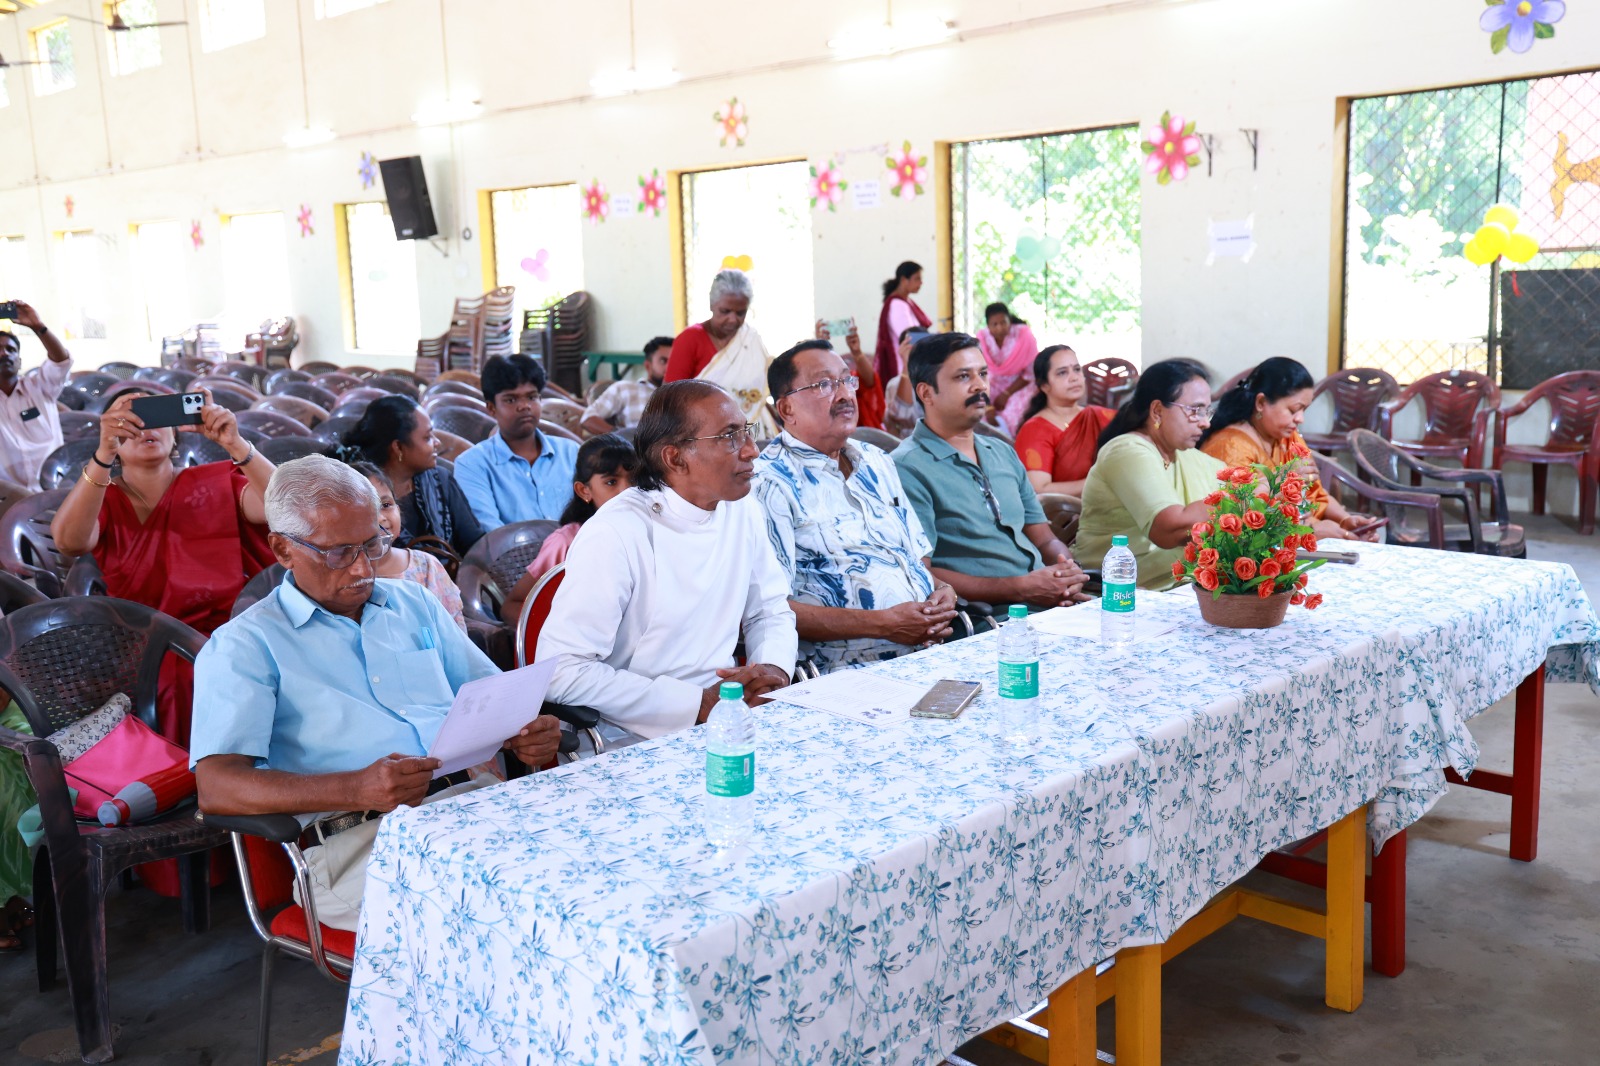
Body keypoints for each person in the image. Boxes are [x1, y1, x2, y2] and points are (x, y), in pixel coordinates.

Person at [190, 456, 562, 930]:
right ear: (283, 549)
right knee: (505, 916)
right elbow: (216, 787)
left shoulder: (414, 603)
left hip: (473, 805)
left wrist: (526, 730)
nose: (364, 568)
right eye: (339, 552)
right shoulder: (245, 646)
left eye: (373, 544)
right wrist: (354, 786)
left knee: (581, 869)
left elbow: (492, 696)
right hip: (358, 844)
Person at [539, 381, 796, 740]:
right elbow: (560, 672)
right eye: (729, 437)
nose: (752, 450)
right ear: (675, 458)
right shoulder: (617, 531)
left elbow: (769, 609)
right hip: (631, 737)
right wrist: (695, 704)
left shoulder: (742, 510)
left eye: (746, 432)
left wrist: (772, 668)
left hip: (730, 712)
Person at [52, 385, 276, 741]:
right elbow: (69, 541)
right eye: (129, 419)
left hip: (229, 631)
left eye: (156, 416)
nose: (145, 427)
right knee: (186, 677)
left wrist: (236, 445)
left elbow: (282, 508)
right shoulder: (104, 496)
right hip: (145, 642)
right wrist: (102, 454)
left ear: (175, 436)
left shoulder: (214, 481)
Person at [754, 340, 956, 672]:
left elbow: (915, 554)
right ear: (786, 409)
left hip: (930, 651)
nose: (845, 394)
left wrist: (940, 590)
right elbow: (773, 609)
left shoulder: (877, 460)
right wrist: (884, 624)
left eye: (848, 380)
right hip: (846, 672)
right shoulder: (769, 483)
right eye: (824, 385)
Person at [891, 334, 1089, 615]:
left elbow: (1043, 538)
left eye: (982, 373)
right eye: (963, 377)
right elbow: (921, 572)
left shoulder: (1001, 452)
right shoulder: (907, 467)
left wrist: (1067, 573)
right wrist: (1020, 587)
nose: (980, 385)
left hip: (1047, 603)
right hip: (988, 619)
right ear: (926, 393)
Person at [1076, 359, 1226, 589]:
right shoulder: (1127, 451)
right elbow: (1169, 529)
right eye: (1195, 411)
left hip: (1174, 583)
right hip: (1117, 589)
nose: (1205, 423)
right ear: (1157, 411)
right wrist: (1240, 500)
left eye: (1207, 411)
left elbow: (1241, 480)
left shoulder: (1183, 455)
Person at [1199, 357, 1379, 542]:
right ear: (1261, 403)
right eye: (1294, 410)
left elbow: (1315, 494)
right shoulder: (1230, 447)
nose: (1300, 418)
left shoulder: (1287, 438)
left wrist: (1345, 521)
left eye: (1304, 410)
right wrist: (1311, 532)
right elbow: (1238, 521)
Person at [499, 433, 638, 627]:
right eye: (611, 482)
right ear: (584, 491)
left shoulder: (651, 531)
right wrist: (557, 633)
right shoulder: (566, 541)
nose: (627, 491)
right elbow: (512, 605)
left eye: (634, 480)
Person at [343, 395, 483, 558]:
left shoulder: (440, 481)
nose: (437, 442)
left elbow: (475, 545)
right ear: (398, 447)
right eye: (427, 438)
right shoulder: (359, 495)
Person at [452, 354, 579, 530]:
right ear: (491, 408)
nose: (524, 406)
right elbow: (490, 533)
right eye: (511, 400)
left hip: (578, 553)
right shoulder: (472, 464)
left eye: (532, 397)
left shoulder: (571, 452)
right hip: (514, 556)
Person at [350, 460, 467, 630]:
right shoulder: (344, 575)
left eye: (386, 505)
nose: (381, 517)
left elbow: (455, 632)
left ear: (398, 508)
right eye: (365, 509)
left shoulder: (426, 566)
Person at [663, 269, 776, 436]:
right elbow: (670, 397)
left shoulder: (750, 339)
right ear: (711, 305)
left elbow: (757, 394)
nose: (733, 319)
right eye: (725, 311)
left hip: (751, 429)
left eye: (740, 313)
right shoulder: (690, 339)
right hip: (702, 432)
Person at [1013, 345, 1116, 497]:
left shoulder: (1101, 416)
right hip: (1067, 516)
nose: (1074, 377)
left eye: (1076, 369)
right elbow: (1039, 489)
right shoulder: (1035, 430)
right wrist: (1100, 482)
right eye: (1062, 373)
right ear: (1044, 385)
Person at [0, 302, 72, 489]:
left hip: (53, 489)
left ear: (19, 361)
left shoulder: (40, 387)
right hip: (8, 499)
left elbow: (61, 361)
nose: (4, 354)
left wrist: (38, 326)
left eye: (11, 350)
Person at [580, 336, 672, 436]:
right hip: (637, 448)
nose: (669, 366)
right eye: (663, 361)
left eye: (674, 361)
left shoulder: (684, 393)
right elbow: (588, 419)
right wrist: (623, 437)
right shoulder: (625, 389)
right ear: (648, 366)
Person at [977, 302, 1039, 436]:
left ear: (1009, 321)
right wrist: (988, 406)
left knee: (1016, 411)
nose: (999, 328)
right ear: (988, 326)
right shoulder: (982, 339)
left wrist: (1006, 394)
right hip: (989, 384)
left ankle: (1011, 444)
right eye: (995, 324)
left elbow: (1029, 374)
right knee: (977, 409)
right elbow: (978, 374)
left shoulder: (1024, 335)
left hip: (1020, 385)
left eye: (1003, 322)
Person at [873, 261, 931, 394]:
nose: (921, 283)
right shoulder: (897, 305)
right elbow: (910, 337)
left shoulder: (905, 302)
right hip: (902, 367)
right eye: (917, 279)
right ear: (904, 280)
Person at [814, 319, 881, 429]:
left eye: (845, 375)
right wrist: (821, 349)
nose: (844, 396)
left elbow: (870, 383)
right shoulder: (821, 385)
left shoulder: (850, 384)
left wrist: (857, 352)